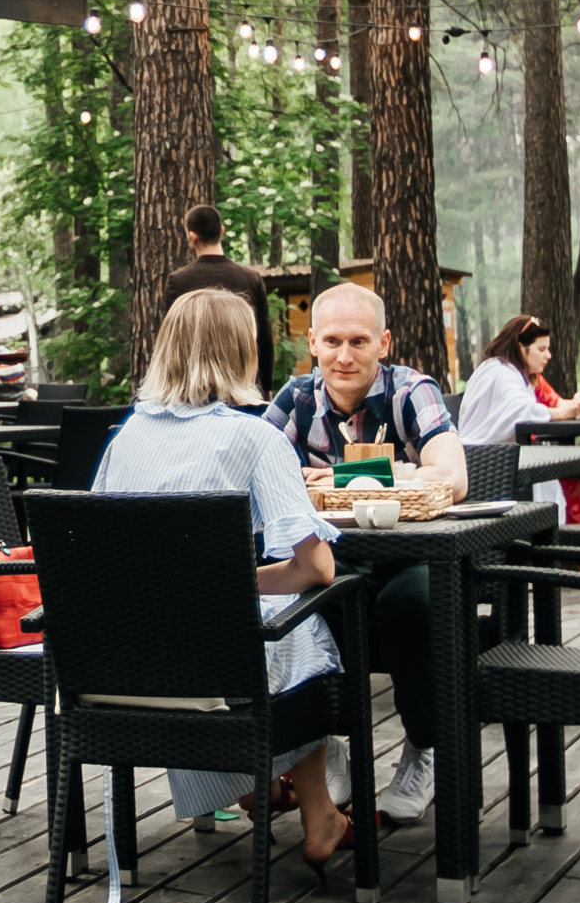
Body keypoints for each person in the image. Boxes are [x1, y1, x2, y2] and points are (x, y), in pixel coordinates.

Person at [90, 289, 351, 865]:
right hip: (211, 671)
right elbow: (317, 567)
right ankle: (320, 815)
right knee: (299, 627)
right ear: (241, 353)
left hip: (121, 667)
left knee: (218, 628)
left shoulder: (124, 440)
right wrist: (235, 582)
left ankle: (255, 787)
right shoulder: (255, 438)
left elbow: (105, 562)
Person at [260, 282, 466, 824]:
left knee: (411, 607)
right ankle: (330, 749)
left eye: (359, 341)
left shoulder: (410, 391)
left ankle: (426, 748)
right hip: (335, 559)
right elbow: (251, 475)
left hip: (411, 556)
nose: (344, 356)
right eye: (332, 341)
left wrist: (345, 478)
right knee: (303, 603)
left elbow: (454, 476)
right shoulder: (295, 400)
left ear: (384, 343)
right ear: (312, 344)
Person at [455, 314, 580, 526]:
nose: (548, 355)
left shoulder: (503, 370)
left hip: (488, 463)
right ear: (521, 348)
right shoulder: (503, 374)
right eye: (541, 349)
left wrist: (568, 407)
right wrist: (559, 413)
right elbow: (519, 411)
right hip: (490, 469)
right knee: (565, 480)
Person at [161, 203, 274, 369]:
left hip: (195, 379)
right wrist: (265, 387)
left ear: (193, 237)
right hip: (244, 379)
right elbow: (264, 338)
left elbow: (173, 340)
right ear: (221, 231)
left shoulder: (178, 281)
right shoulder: (251, 279)